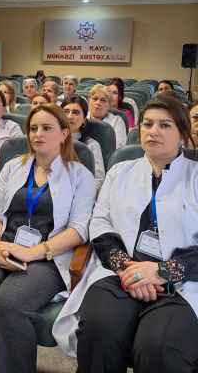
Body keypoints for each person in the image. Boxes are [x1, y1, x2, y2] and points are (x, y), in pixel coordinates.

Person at [53, 93, 198, 373]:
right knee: (99, 329)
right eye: (147, 124)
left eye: (165, 125)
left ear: (182, 133)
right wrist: (125, 267)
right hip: (119, 274)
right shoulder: (120, 171)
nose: (153, 131)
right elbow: (100, 223)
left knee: (159, 346)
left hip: (182, 284)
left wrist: (162, 271)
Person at [0, 104, 96, 373]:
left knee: (7, 305)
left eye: (47, 128)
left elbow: (79, 229)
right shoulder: (14, 166)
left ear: (64, 134)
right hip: (3, 245)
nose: (38, 134)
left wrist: (32, 252)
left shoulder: (80, 175)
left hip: (47, 257)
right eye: (33, 128)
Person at [63, 95, 105, 190]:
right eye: (66, 111)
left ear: (84, 120)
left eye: (76, 112)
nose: (69, 116)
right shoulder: (51, 141)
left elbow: (98, 180)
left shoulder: (91, 145)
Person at [88, 84, 127, 149]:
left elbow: (119, 147)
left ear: (109, 105)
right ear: (89, 101)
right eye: (95, 99)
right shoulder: (81, 117)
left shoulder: (117, 121)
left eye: (103, 100)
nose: (98, 103)